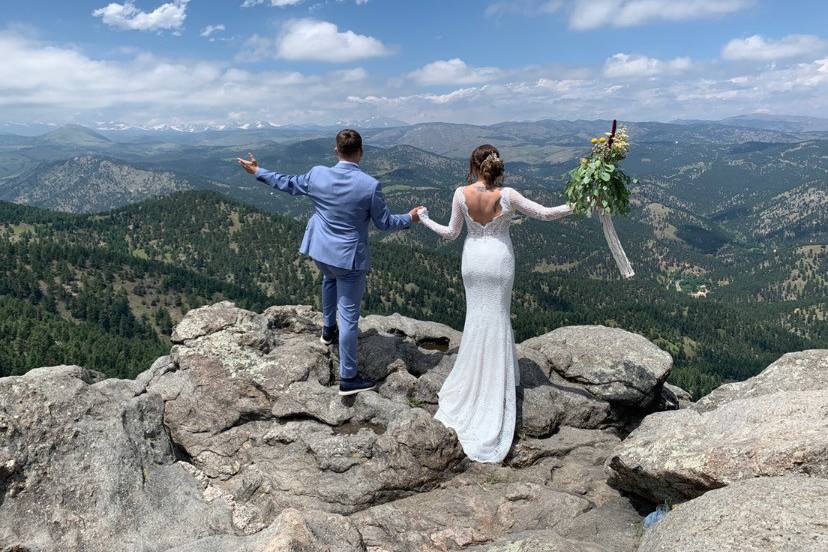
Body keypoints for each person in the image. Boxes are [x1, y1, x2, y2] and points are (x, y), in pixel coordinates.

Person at [417, 144, 592, 463]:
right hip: (498, 260)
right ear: (498, 167)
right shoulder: (508, 195)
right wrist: (582, 202)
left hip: (473, 261)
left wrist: (425, 218)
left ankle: (475, 376)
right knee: (498, 317)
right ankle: (499, 378)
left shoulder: (460, 193)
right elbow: (546, 213)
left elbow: (450, 233)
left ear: (474, 166)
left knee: (476, 318)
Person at [238, 129, 421, 396]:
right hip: (348, 259)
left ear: (336, 151)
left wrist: (257, 171)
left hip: (320, 251)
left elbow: (287, 183)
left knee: (328, 280)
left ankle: (326, 329)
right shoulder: (370, 186)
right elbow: (384, 223)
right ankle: (348, 377)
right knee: (349, 316)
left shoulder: (317, 174)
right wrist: (410, 218)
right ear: (361, 152)